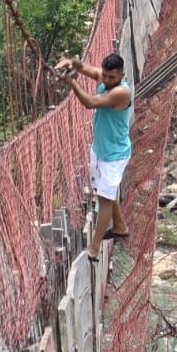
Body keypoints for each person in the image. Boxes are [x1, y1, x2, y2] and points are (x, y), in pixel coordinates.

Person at [55, 53, 133, 259]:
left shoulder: (121, 93)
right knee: (106, 192)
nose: (106, 80)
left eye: (111, 78)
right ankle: (120, 227)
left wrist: (72, 83)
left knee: (105, 200)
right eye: (105, 76)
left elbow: (89, 102)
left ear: (122, 75)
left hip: (114, 155)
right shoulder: (105, 79)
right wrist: (73, 63)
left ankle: (95, 247)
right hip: (100, 150)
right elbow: (87, 69)